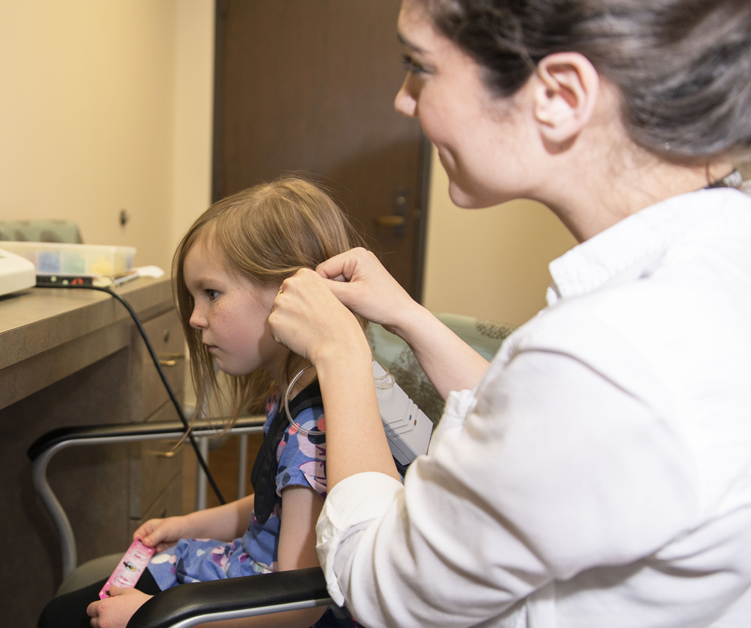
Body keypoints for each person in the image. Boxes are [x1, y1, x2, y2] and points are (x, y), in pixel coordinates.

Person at [267, 0, 751, 626]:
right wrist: (408, 317)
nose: (403, 99)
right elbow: (536, 431)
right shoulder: (714, 260)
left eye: (421, 67)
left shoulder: (608, 353)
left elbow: (381, 582)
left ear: (559, 93)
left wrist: (341, 355)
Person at [38, 178, 382, 628]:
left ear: (289, 293)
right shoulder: (293, 394)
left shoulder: (313, 426)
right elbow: (271, 511)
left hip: (250, 609)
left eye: (212, 294)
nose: (197, 319)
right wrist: (189, 524)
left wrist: (156, 616)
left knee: (61, 619)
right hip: (235, 574)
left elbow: (299, 606)